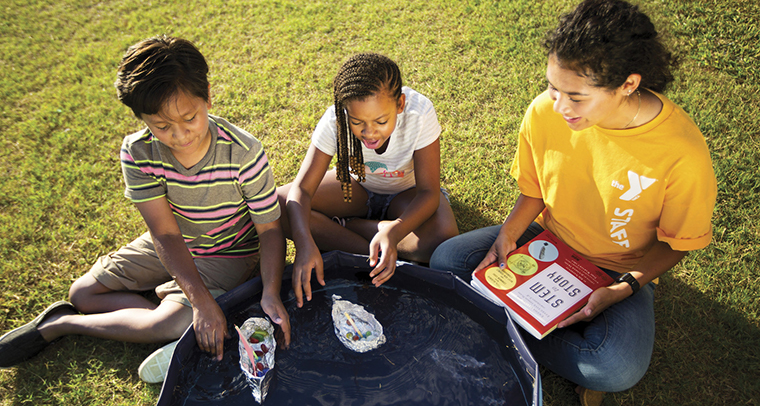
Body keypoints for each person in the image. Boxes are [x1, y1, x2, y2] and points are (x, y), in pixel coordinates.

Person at [430, 1, 717, 405]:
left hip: (618, 268)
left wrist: (623, 288)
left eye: (577, 97)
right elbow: (535, 190)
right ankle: (531, 328)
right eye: (553, 88)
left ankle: (495, 324)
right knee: (447, 260)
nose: (560, 107)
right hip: (547, 242)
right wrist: (508, 236)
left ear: (628, 85)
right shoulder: (544, 113)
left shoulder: (681, 152)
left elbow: (677, 243)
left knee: (615, 366)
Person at [0, 36, 291, 383]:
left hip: (230, 252)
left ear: (208, 95)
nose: (181, 136)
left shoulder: (243, 151)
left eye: (190, 118)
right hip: (175, 239)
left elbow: (270, 230)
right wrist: (199, 301)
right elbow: (164, 232)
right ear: (142, 118)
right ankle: (170, 314)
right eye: (162, 126)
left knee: (166, 323)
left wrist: (270, 292)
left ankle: (64, 325)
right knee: (82, 293)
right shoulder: (137, 151)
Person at [278, 53, 459, 307]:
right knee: (278, 204)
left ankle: (348, 229)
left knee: (443, 240)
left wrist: (394, 233)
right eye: (357, 122)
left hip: (406, 195)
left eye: (381, 121)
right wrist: (304, 242)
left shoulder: (419, 113)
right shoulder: (334, 120)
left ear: (400, 104)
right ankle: (377, 251)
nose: (370, 132)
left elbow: (429, 192)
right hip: (357, 190)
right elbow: (302, 190)